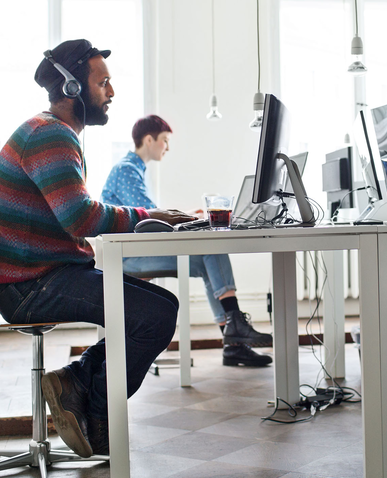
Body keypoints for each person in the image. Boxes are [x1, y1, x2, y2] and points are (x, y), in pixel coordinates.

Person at [0, 39, 196, 458]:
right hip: (31, 287)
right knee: (154, 316)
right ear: (71, 89)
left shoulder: (53, 133)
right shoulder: (49, 136)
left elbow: (79, 214)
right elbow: (81, 217)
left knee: (159, 309)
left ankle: (78, 385)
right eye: (103, 83)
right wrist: (150, 217)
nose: (111, 93)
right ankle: (96, 417)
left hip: (43, 276)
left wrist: (148, 217)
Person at [101, 115, 273, 367]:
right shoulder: (127, 169)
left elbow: (150, 214)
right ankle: (235, 327)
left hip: (137, 250)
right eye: (165, 140)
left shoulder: (136, 169)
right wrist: (188, 218)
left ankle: (234, 343)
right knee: (211, 248)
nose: (167, 147)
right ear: (149, 139)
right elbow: (149, 216)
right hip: (128, 256)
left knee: (208, 259)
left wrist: (188, 217)